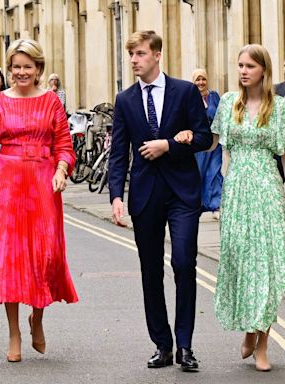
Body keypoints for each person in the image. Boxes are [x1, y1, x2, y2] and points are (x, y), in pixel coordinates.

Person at [108, 30, 212, 372]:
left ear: (156, 55)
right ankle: (162, 345)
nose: (134, 60)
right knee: (150, 270)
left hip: (182, 192)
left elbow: (203, 137)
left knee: (183, 263)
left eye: (139, 54)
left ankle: (186, 346)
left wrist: (170, 144)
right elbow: (118, 153)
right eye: (131, 55)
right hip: (145, 194)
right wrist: (115, 197)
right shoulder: (124, 100)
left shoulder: (184, 91)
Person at [0, 39, 78, 363]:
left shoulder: (50, 102)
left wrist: (62, 170)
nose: (21, 72)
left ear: (38, 69)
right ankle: (14, 331)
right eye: (16, 67)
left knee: (43, 257)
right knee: (9, 259)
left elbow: (64, 144)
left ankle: (38, 318)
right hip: (7, 185)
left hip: (43, 184)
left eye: (27, 66)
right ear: (10, 69)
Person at [201, 44, 285, 372]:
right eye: (240, 65)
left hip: (268, 193)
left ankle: (262, 343)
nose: (244, 71)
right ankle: (249, 328)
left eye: (250, 65)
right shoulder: (228, 103)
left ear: (263, 69)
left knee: (266, 268)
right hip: (236, 194)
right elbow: (218, 149)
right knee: (241, 264)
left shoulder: (279, 107)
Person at [191, 69, 222, 217]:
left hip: (215, 143)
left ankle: (216, 205)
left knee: (215, 172)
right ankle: (198, 205)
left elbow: (221, 115)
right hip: (199, 143)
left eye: (203, 79)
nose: (200, 82)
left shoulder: (214, 96)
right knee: (199, 173)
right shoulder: (189, 98)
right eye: (197, 79)